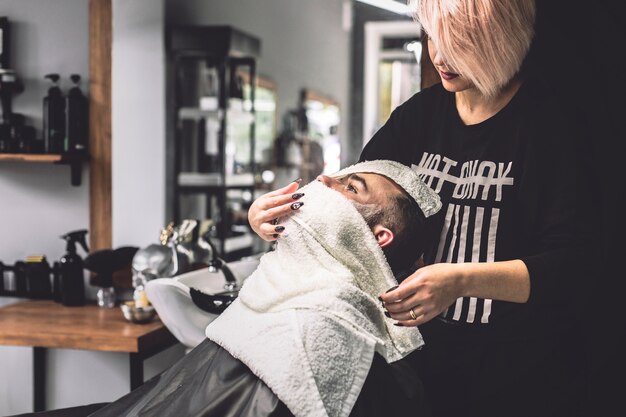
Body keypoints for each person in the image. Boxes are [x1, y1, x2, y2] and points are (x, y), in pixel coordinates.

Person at [248, 1, 591, 416]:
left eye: (458, 45)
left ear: (499, 41)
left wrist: (460, 281)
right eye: (433, 39)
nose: (440, 58)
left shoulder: (550, 125)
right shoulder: (419, 116)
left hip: (518, 372)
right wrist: (272, 216)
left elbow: (572, 266)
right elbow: (345, 207)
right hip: (423, 365)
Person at [15, 161, 439, 417]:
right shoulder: (284, 289)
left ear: (379, 237)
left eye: (350, 186)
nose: (327, 178)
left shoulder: (324, 326)